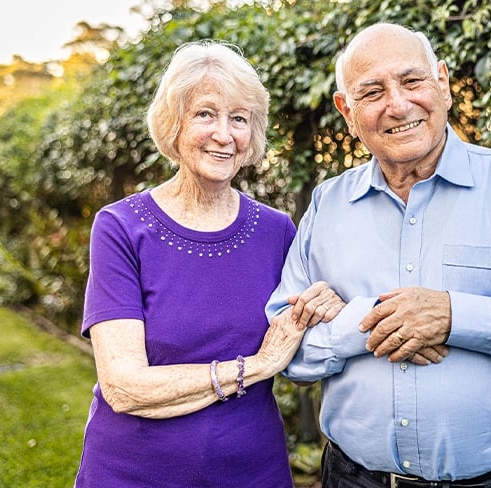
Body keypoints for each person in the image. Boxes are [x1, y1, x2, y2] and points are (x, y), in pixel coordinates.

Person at [267, 23, 491, 487]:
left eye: (412, 81)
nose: (398, 105)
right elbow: (286, 352)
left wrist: (453, 316)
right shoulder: (327, 206)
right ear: (347, 111)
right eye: (372, 92)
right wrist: (365, 322)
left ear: (442, 84)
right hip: (352, 479)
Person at [74, 41, 343, 487]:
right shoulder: (121, 227)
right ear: (173, 123)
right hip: (133, 472)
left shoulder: (277, 231)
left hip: (253, 470)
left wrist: (324, 307)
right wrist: (254, 367)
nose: (224, 134)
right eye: (205, 114)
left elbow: (300, 354)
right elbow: (124, 387)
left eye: (239, 118)